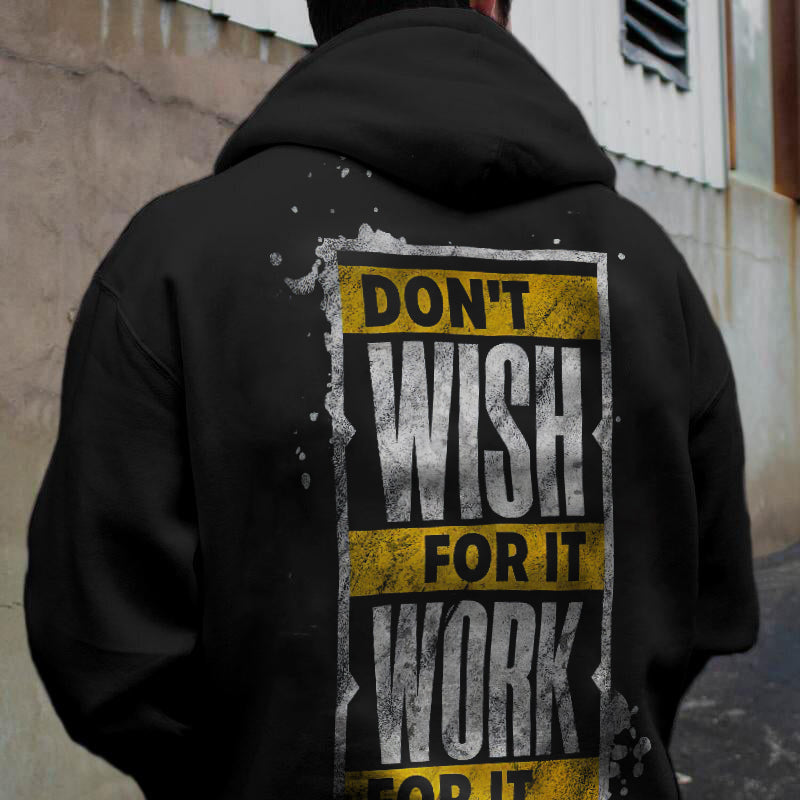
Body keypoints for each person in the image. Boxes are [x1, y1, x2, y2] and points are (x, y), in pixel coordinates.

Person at [24, 1, 758, 798]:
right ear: (492, 5)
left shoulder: (178, 262)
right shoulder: (649, 274)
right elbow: (708, 607)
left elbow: (101, 645)